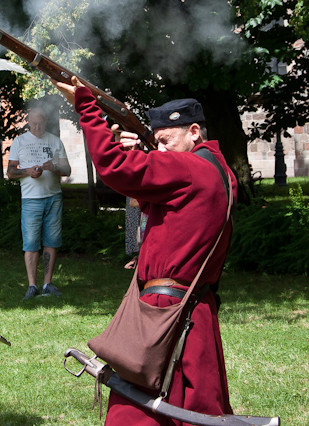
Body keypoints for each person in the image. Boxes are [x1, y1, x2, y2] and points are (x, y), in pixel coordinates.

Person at [52, 77, 236, 424]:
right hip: (193, 310)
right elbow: (157, 205)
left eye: (166, 141)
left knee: (135, 416)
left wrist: (87, 108)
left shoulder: (191, 167)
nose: (161, 151)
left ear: (194, 131)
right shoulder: (218, 170)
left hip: (166, 314)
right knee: (192, 414)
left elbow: (114, 168)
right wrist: (139, 156)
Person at [6, 102, 71, 299]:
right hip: (31, 199)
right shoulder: (20, 142)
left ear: (46, 122)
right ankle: (32, 285)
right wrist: (27, 171)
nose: (37, 127)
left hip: (53, 197)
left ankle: (47, 284)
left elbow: (67, 170)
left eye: (40, 123)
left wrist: (55, 167)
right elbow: (10, 172)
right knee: (31, 243)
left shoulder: (55, 141)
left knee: (51, 241)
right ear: (28, 123)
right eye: (33, 124)